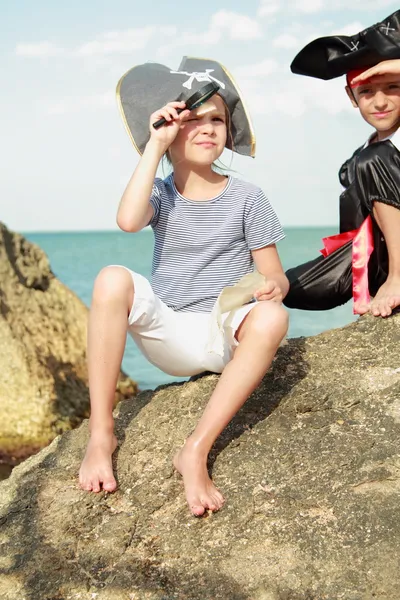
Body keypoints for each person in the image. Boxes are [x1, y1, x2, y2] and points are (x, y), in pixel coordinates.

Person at [79, 57, 289, 516]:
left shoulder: (248, 196)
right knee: (111, 277)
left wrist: (272, 287)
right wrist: (155, 145)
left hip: (222, 334)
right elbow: (128, 221)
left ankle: (194, 449)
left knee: (274, 316)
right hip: (168, 330)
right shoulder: (159, 191)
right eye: (193, 120)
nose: (208, 128)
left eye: (218, 119)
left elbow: (274, 274)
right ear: (172, 129)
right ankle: (101, 434)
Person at [284, 10, 400, 318]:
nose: (380, 102)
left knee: (373, 160)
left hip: (395, 268)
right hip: (372, 255)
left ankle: (398, 279)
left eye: (393, 87)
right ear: (351, 96)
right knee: (283, 287)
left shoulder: (379, 156)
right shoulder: (360, 156)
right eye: (366, 92)